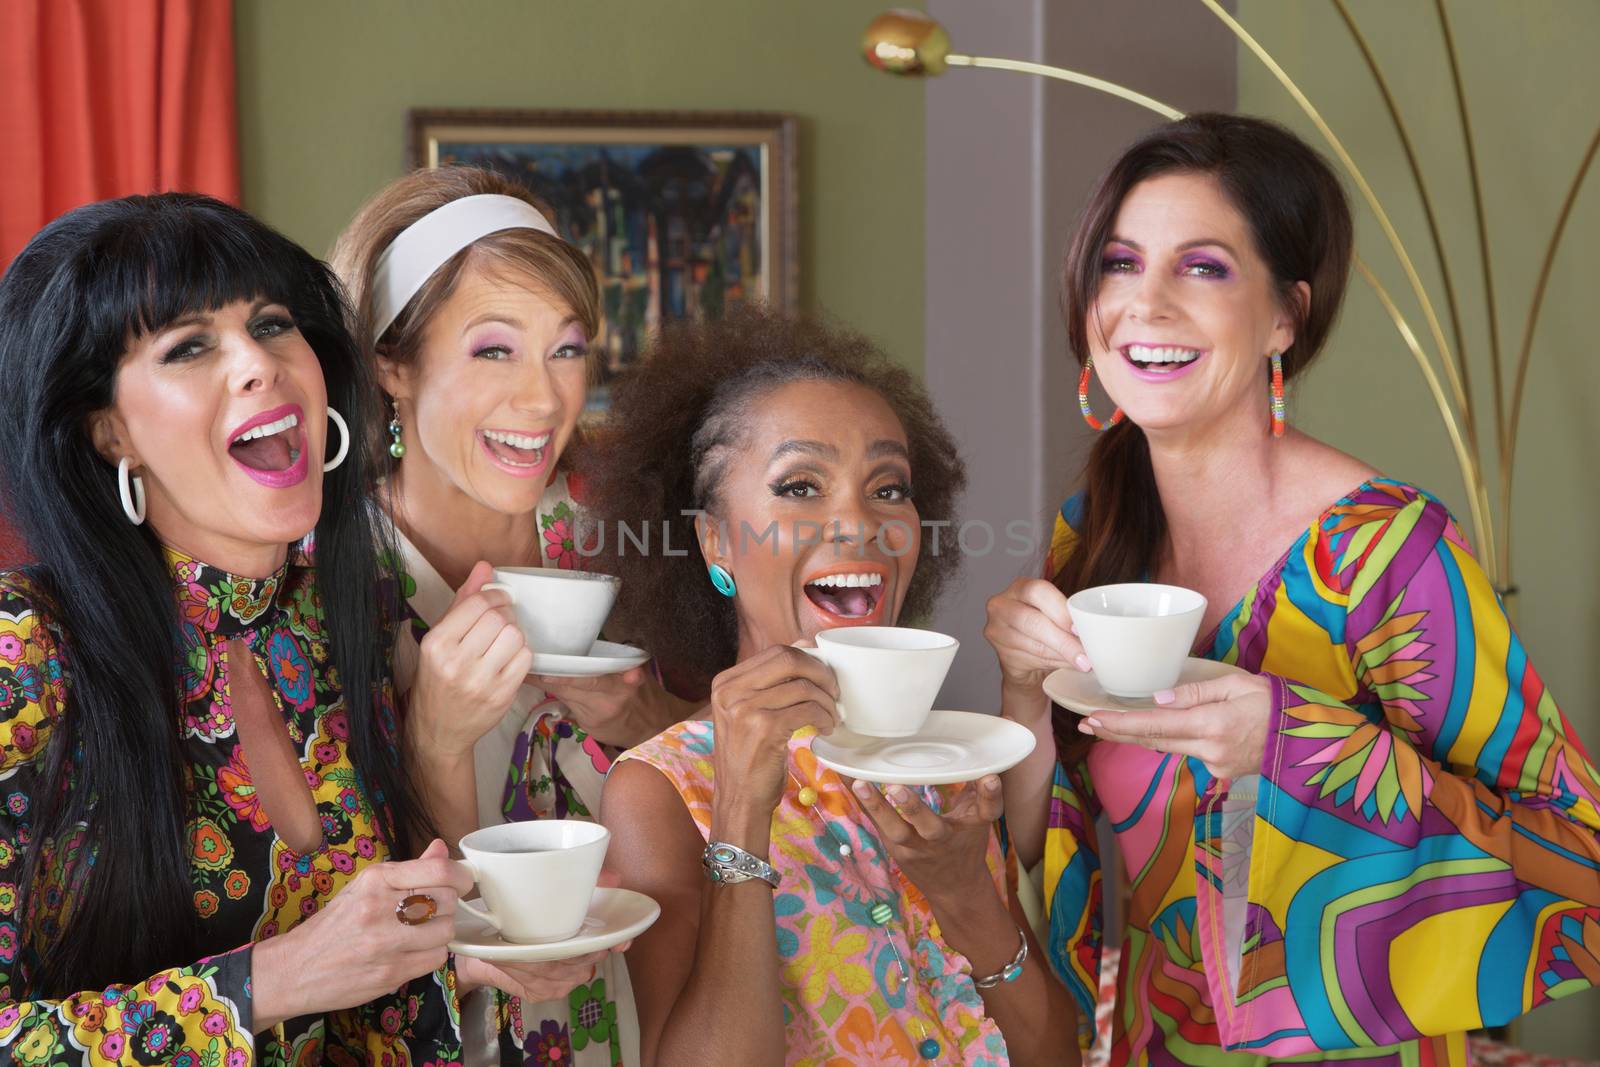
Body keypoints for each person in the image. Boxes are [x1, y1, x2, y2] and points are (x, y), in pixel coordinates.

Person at [984, 113, 1600, 1065]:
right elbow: (1033, 838)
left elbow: (1578, 855)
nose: (1143, 304)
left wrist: (1290, 738)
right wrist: (1022, 685)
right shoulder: (1098, 529)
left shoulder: (1387, 555)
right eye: (1119, 262)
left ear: (1285, 315)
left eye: (1202, 267)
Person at [0, 193, 597, 1066]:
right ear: (107, 429)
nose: (258, 364)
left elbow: (360, 1003)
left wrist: (462, 959)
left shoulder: (348, 622)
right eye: (190, 345)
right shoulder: (25, 650)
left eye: (273, 324)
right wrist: (270, 977)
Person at [587, 307, 1078, 1066]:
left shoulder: (956, 762)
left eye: (889, 489)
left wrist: (965, 896)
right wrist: (742, 815)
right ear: (715, 541)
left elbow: (1055, 1056)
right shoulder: (662, 789)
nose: (859, 523)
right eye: (801, 485)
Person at [331, 165, 692, 1066]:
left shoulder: (628, 541)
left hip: (659, 1027)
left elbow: (747, 779)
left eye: (566, 349)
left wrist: (643, 721)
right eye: (495, 348)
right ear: (392, 365)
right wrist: (436, 742)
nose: (544, 399)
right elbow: (328, 913)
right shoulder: (317, 582)